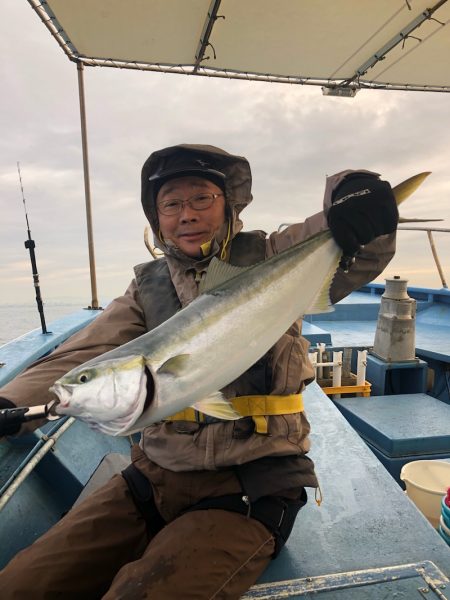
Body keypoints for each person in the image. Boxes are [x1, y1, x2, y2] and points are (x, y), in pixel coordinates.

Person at [0, 144, 398, 599]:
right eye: (170, 203)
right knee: (20, 585)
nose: (185, 214)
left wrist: (353, 191)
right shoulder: (147, 287)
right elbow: (84, 352)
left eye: (201, 198)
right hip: (155, 477)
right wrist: (10, 402)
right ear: (156, 217)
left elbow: (357, 245)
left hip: (253, 482)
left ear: (228, 204)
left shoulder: (272, 255)